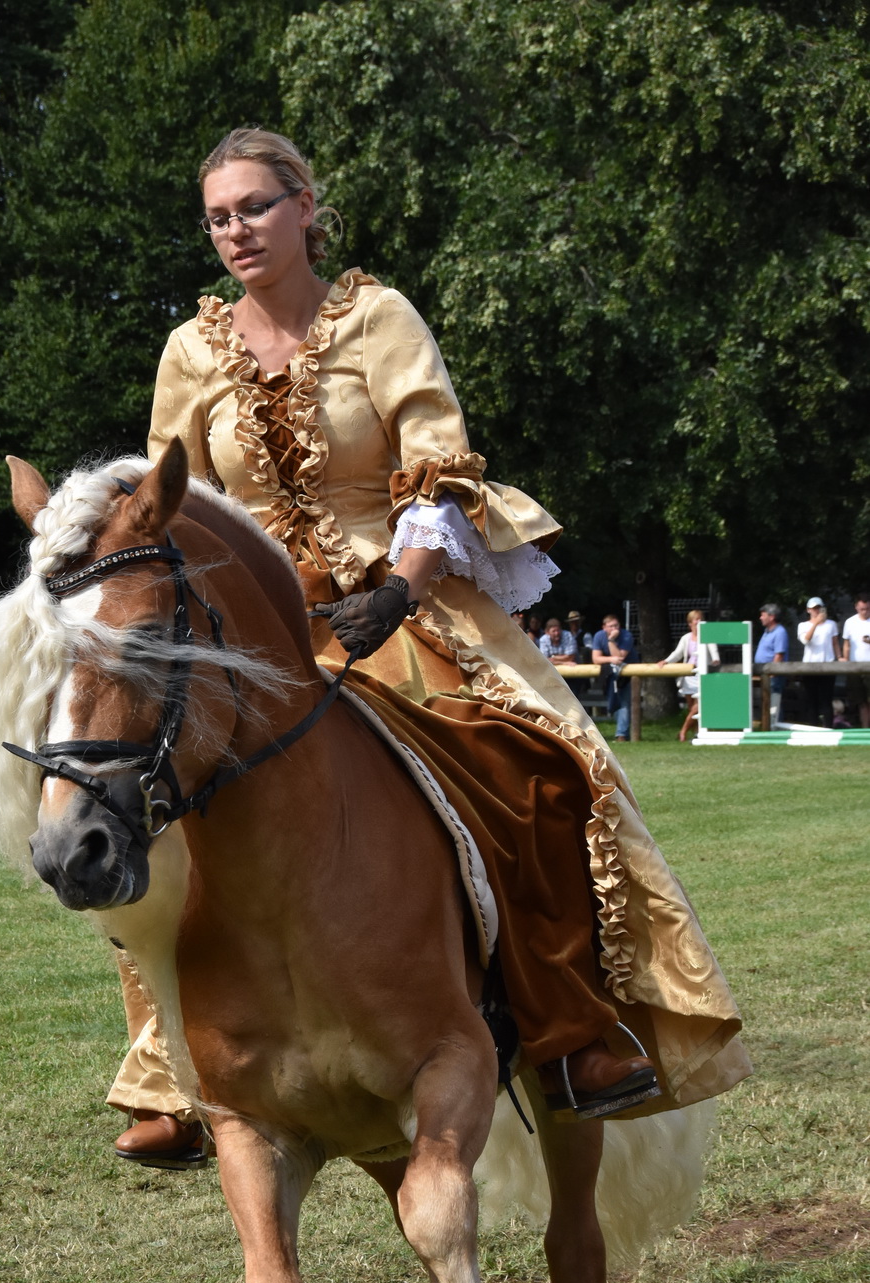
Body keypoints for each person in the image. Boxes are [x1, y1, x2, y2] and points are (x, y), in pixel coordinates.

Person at [111, 126, 748, 1160]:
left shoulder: (377, 316)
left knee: (538, 768)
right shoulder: (191, 350)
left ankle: (574, 1028)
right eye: (220, 216)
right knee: (141, 789)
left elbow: (439, 464)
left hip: (394, 602)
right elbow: (168, 499)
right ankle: (170, 1069)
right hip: (256, 628)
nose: (237, 231)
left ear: (308, 206)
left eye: (257, 207)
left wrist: (401, 591)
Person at [658, 609, 719, 743]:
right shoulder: (686, 638)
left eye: (700, 619)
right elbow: (678, 653)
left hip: (702, 676)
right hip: (688, 675)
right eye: (695, 620)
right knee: (692, 707)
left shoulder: (708, 636)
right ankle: (697, 733)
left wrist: (715, 660)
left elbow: (714, 652)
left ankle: (683, 731)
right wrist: (666, 661)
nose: (698, 622)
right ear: (690, 623)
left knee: (699, 706)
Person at [591, 613, 636, 741]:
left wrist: (611, 640)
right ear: (604, 627)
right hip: (610, 673)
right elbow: (596, 658)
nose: (614, 629)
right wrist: (611, 659)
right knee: (613, 702)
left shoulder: (626, 635)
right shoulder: (599, 636)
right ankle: (621, 731)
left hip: (627, 672)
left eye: (616, 626)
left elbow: (620, 658)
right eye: (611, 626)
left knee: (624, 702)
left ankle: (621, 734)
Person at [797, 596, 840, 726]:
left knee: (826, 700)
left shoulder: (831, 624)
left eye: (818, 608)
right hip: (809, 666)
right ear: (808, 610)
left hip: (828, 665)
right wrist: (815, 623)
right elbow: (806, 640)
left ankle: (828, 727)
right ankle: (813, 728)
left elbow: (835, 643)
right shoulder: (803, 625)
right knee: (811, 700)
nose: (816, 611)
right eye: (813, 608)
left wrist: (840, 657)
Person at [754, 602, 790, 726]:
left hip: (773, 675)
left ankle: (775, 727)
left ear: (772, 616)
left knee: (775, 704)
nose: (760, 618)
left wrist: (772, 674)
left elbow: (779, 655)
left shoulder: (780, 632)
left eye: (763, 615)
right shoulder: (767, 631)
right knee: (767, 703)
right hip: (765, 674)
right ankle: (769, 726)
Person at [841, 594, 870, 728]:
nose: (865, 612)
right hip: (855, 667)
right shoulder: (850, 622)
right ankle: (865, 729)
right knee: (861, 701)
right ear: (856, 608)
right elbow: (846, 644)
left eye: (867, 609)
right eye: (862, 609)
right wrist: (845, 660)